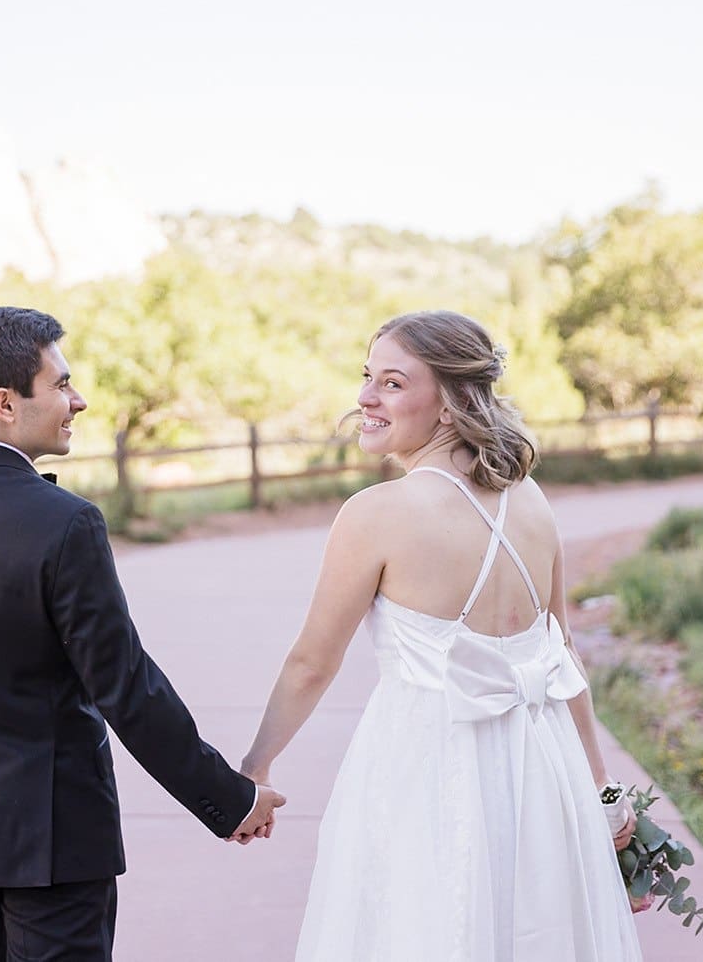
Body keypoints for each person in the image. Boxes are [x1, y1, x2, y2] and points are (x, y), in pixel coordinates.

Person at [0, 306, 284, 961]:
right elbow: (126, 688)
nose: (77, 400)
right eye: (60, 384)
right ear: (5, 403)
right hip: (53, 842)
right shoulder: (66, 525)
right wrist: (228, 799)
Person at [242, 310, 643, 960]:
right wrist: (600, 790)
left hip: (425, 767)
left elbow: (313, 662)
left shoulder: (377, 514)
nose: (366, 398)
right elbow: (562, 654)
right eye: (367, 378)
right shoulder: (533, 500)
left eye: (393, 383)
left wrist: (254, 766)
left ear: (453, 404)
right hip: (542, 767)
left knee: (421, 929)